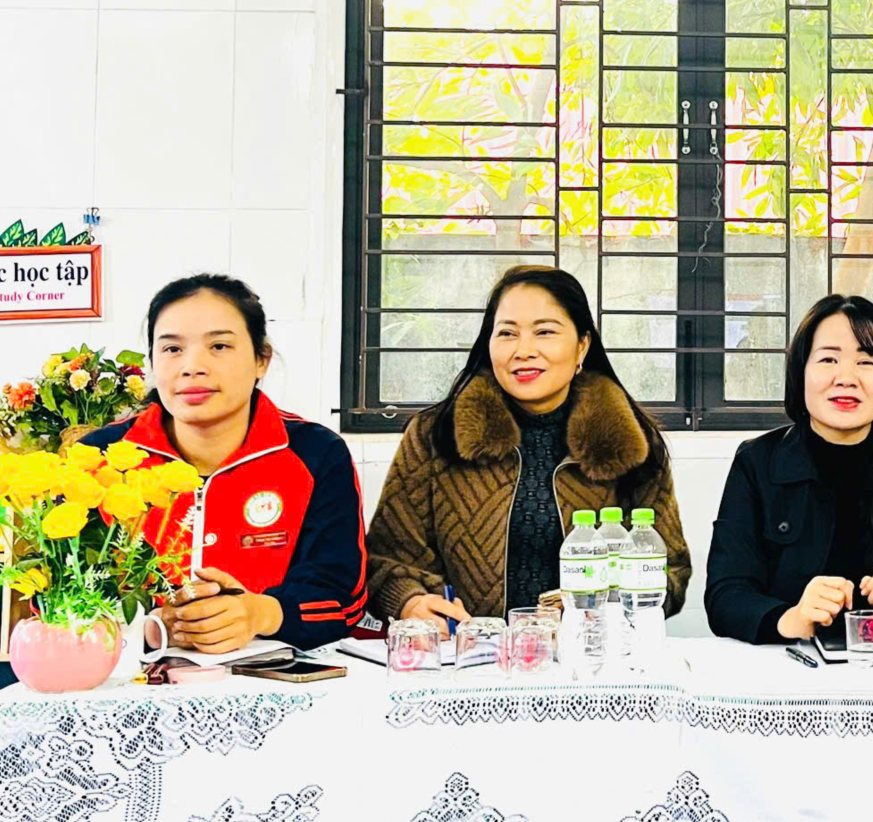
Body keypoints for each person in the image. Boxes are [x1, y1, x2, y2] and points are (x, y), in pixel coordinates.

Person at [367, 265, 689, 629]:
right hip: (467, 653)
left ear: (582, 345)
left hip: (589, 652)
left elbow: (671, 572)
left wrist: (603, 608)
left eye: (545, 332)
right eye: (507, 333)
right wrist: (409, 601)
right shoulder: (435, 435)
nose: (523, 350)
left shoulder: (628, 441)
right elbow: (386, 561)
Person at [81, 274, 367, 653]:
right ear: (152, 361)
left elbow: (343, 599)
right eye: (172, 349)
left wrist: (261, 613)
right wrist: (150, 627)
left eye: (219, 346)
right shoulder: (101, 457)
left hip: (276, 679)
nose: (192, 366)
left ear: (261, 360)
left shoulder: (316, 453)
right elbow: (56, 596)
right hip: (129, 680)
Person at [705, 295, 873, 644]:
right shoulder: (757, 462)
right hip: (791, 667)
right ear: (801, 373)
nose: (846, 378)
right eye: (828, 359)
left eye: (865, 361)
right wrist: (792, 618)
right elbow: (725, 596)